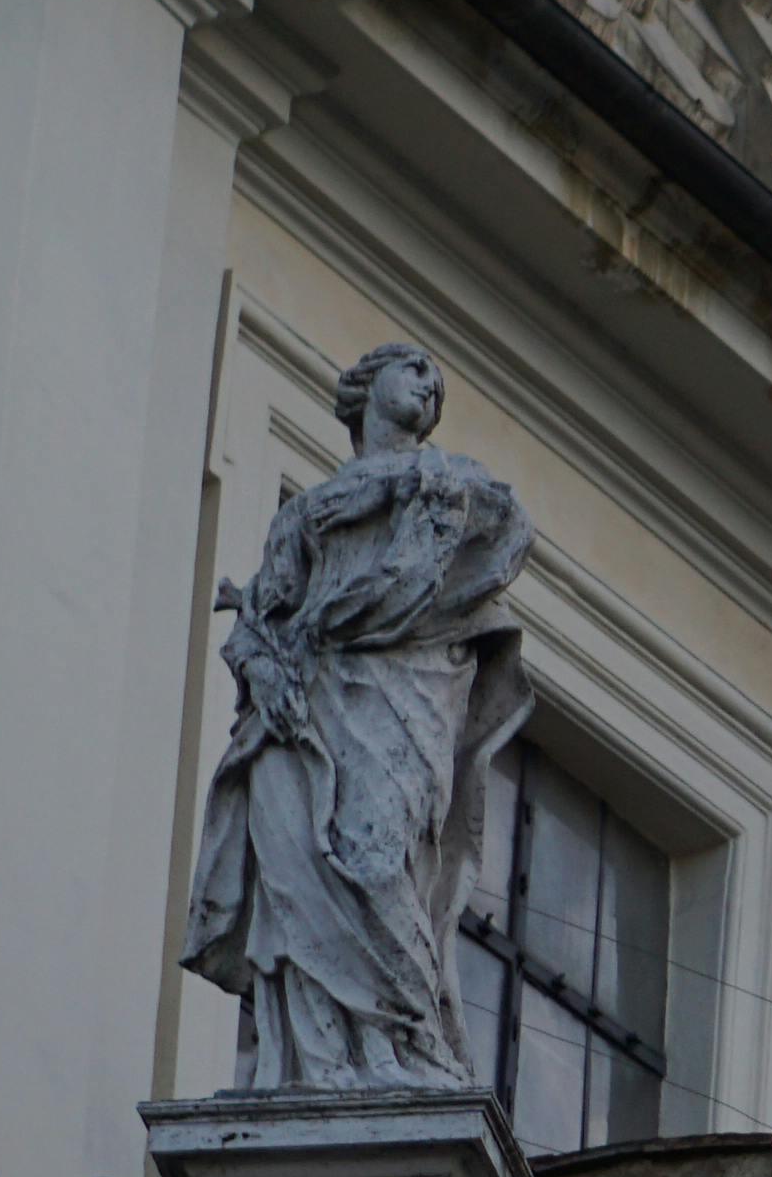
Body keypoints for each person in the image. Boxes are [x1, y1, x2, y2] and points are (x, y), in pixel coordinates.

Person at [180, 345, 530, 1095]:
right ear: (366, 387)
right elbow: (261, 623)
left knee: (377, 857)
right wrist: (266, 673)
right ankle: (329, 1064)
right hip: (303, 711)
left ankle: (407, 1041)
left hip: (401, 696)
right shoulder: (306, 514)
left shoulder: (449, 480)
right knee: (303, 867)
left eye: (438, 384)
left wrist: (402, 493)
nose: (430, 387)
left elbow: (504, 532)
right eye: (415, 370)